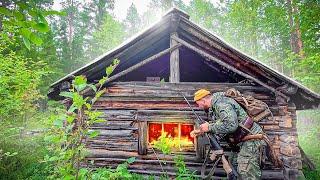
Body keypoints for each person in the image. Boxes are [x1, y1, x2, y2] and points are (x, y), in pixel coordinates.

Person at [190, 89, 266, 180]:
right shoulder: (215, 107)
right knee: (233, 165)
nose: (199, 107)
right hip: (240, 142)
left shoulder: (221, 103)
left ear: (203, 100)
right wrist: (201, 131)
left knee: (246, 171)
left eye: (199, 104)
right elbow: (220, 125)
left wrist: (209, 127)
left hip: (251, 140)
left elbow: (231, 125)